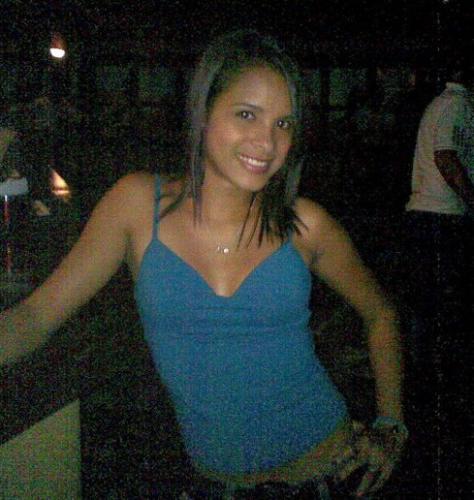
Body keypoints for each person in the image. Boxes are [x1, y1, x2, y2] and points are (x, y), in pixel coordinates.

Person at [1, 31, 407, 498]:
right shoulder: (136, 206)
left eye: (284, 123)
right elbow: (35, 316)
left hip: (329, 472)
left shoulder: (305, 225)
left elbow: (380, 312)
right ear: (204, 111)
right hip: (215, 485)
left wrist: (391, 423)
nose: (268, 141)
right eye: (247, 114)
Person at [404, 54, 474, 496]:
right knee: (438, 301)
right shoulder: (453, 105)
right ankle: (429, 384)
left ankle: (429, 378)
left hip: (438, 216)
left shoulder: (454, 105)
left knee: (436, 301)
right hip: (437, 215)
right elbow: (446, 156)